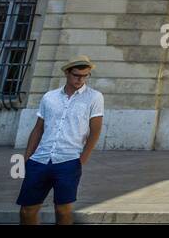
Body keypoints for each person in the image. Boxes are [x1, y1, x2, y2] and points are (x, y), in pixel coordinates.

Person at [16, 55, 104, 225]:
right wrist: (27, 158)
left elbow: (95, 130)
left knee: (63, 211)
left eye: (85, 76)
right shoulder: (50, 97)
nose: (81, 79)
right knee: (27, 210)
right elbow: (38, 129)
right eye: (77, 75)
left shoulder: (94, 97)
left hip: (69, 160)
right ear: (67, 73)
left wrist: (82, 159)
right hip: (40, 160)